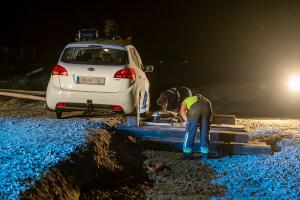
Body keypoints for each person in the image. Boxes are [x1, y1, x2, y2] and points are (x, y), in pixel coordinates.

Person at [180, 94, 212, 159]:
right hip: (207, 107)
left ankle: (187, 154)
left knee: (190, 132)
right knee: (205, 132)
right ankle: (205, 154)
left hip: (194, 109)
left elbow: (182, 111)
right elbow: (210, 115)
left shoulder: (186, 100)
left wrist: (187, 121)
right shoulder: (207, 100)